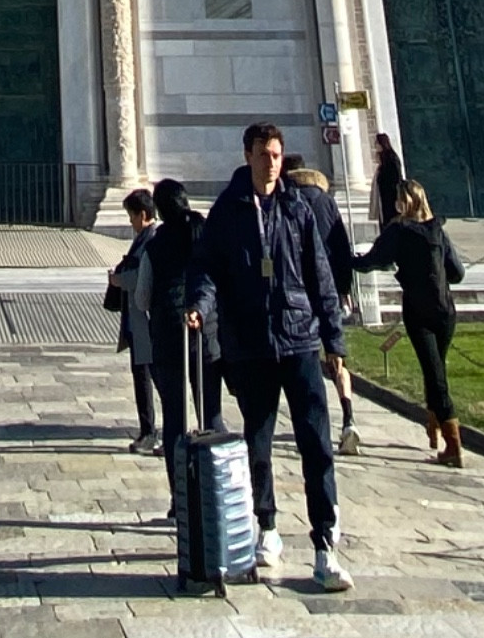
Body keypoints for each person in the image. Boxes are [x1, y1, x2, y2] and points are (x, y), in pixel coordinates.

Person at [188, 121, 351, 592]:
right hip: (253, 343)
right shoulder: (227, 211)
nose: (271, 163)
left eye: (277, 155)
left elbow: (319, 277)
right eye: (263, 154)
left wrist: (334, 342)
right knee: (258, 443)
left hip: (298, 338)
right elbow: (207, 268)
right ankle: (268, 527)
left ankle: (324, 545)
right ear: (248, 156)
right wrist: (200, 305)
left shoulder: (297, 208)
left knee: (315, 444)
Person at [354, 177, 466, 467]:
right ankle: (434, 424)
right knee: (436, 369)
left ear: (404, 202)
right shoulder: (437, 231)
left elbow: (373, 261)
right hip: (445, 310)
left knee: (436, 376)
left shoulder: (400, 230)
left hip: (419, 311)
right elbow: (456, 272)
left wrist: (347, 260)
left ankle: (453, 445)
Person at [139, 179, 221, 497]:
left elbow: (143, 298)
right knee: (211, 412)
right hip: (205, 336)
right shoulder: (204, 235)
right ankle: (219, 489)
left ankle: (180, 497)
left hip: (168, 337)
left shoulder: (156, 245)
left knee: (174, 416)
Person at [291, 162, 360, 455]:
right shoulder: (326, 202)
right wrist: (344, 288)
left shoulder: (288, 202)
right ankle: (348, 418)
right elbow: (341, 246)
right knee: (337, 357)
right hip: (328, 289)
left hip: (299, 293)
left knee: (303, 360)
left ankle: (311, 423)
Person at [110, 189, 160, 453]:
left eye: (131, 217)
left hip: (145, 323)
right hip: (138, 321)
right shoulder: (143, 238)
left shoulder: (151, 239)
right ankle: (149, 429)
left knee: (148, 378)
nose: (130, 222)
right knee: (145, 377)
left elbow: (144, 277)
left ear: (143, 214)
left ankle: (150, 431)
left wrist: (118, 280)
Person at [371, 132, 407, 226]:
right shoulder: (383, 160)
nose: (375, 146)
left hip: (391, 198)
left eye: (377, 143)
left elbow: (396, 178)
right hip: (383, 199)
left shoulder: (391, 159)